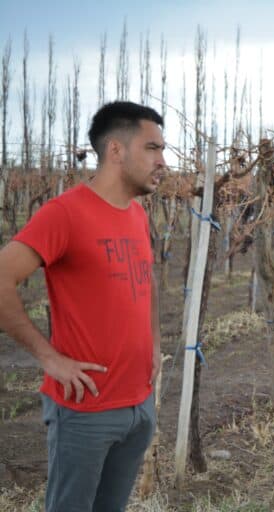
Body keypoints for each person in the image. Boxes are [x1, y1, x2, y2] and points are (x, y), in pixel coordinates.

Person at [0, 101, 166, 511]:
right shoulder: (65, 214)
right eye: (152, 148)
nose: (162, 161)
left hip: (138, 405)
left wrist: (155, 341)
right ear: (115, 151)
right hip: (86, 409)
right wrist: (50, 358)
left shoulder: (137, 215)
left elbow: (146, 279)